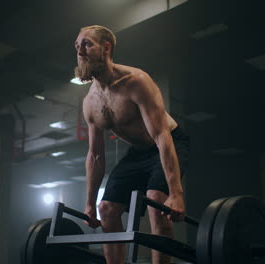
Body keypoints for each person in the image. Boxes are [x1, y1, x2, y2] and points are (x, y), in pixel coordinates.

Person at [75, 25, 189, 264]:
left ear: (106, 48)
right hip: (138, 152)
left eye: (86, 44)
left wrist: (176, 194)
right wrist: (89, 203)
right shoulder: (90, 102)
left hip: (168, 141)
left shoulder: (136, 81)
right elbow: (95, 155)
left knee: (157, 200)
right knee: (105, 209)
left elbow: (161, 135)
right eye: (77, 46)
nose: (80, 51)